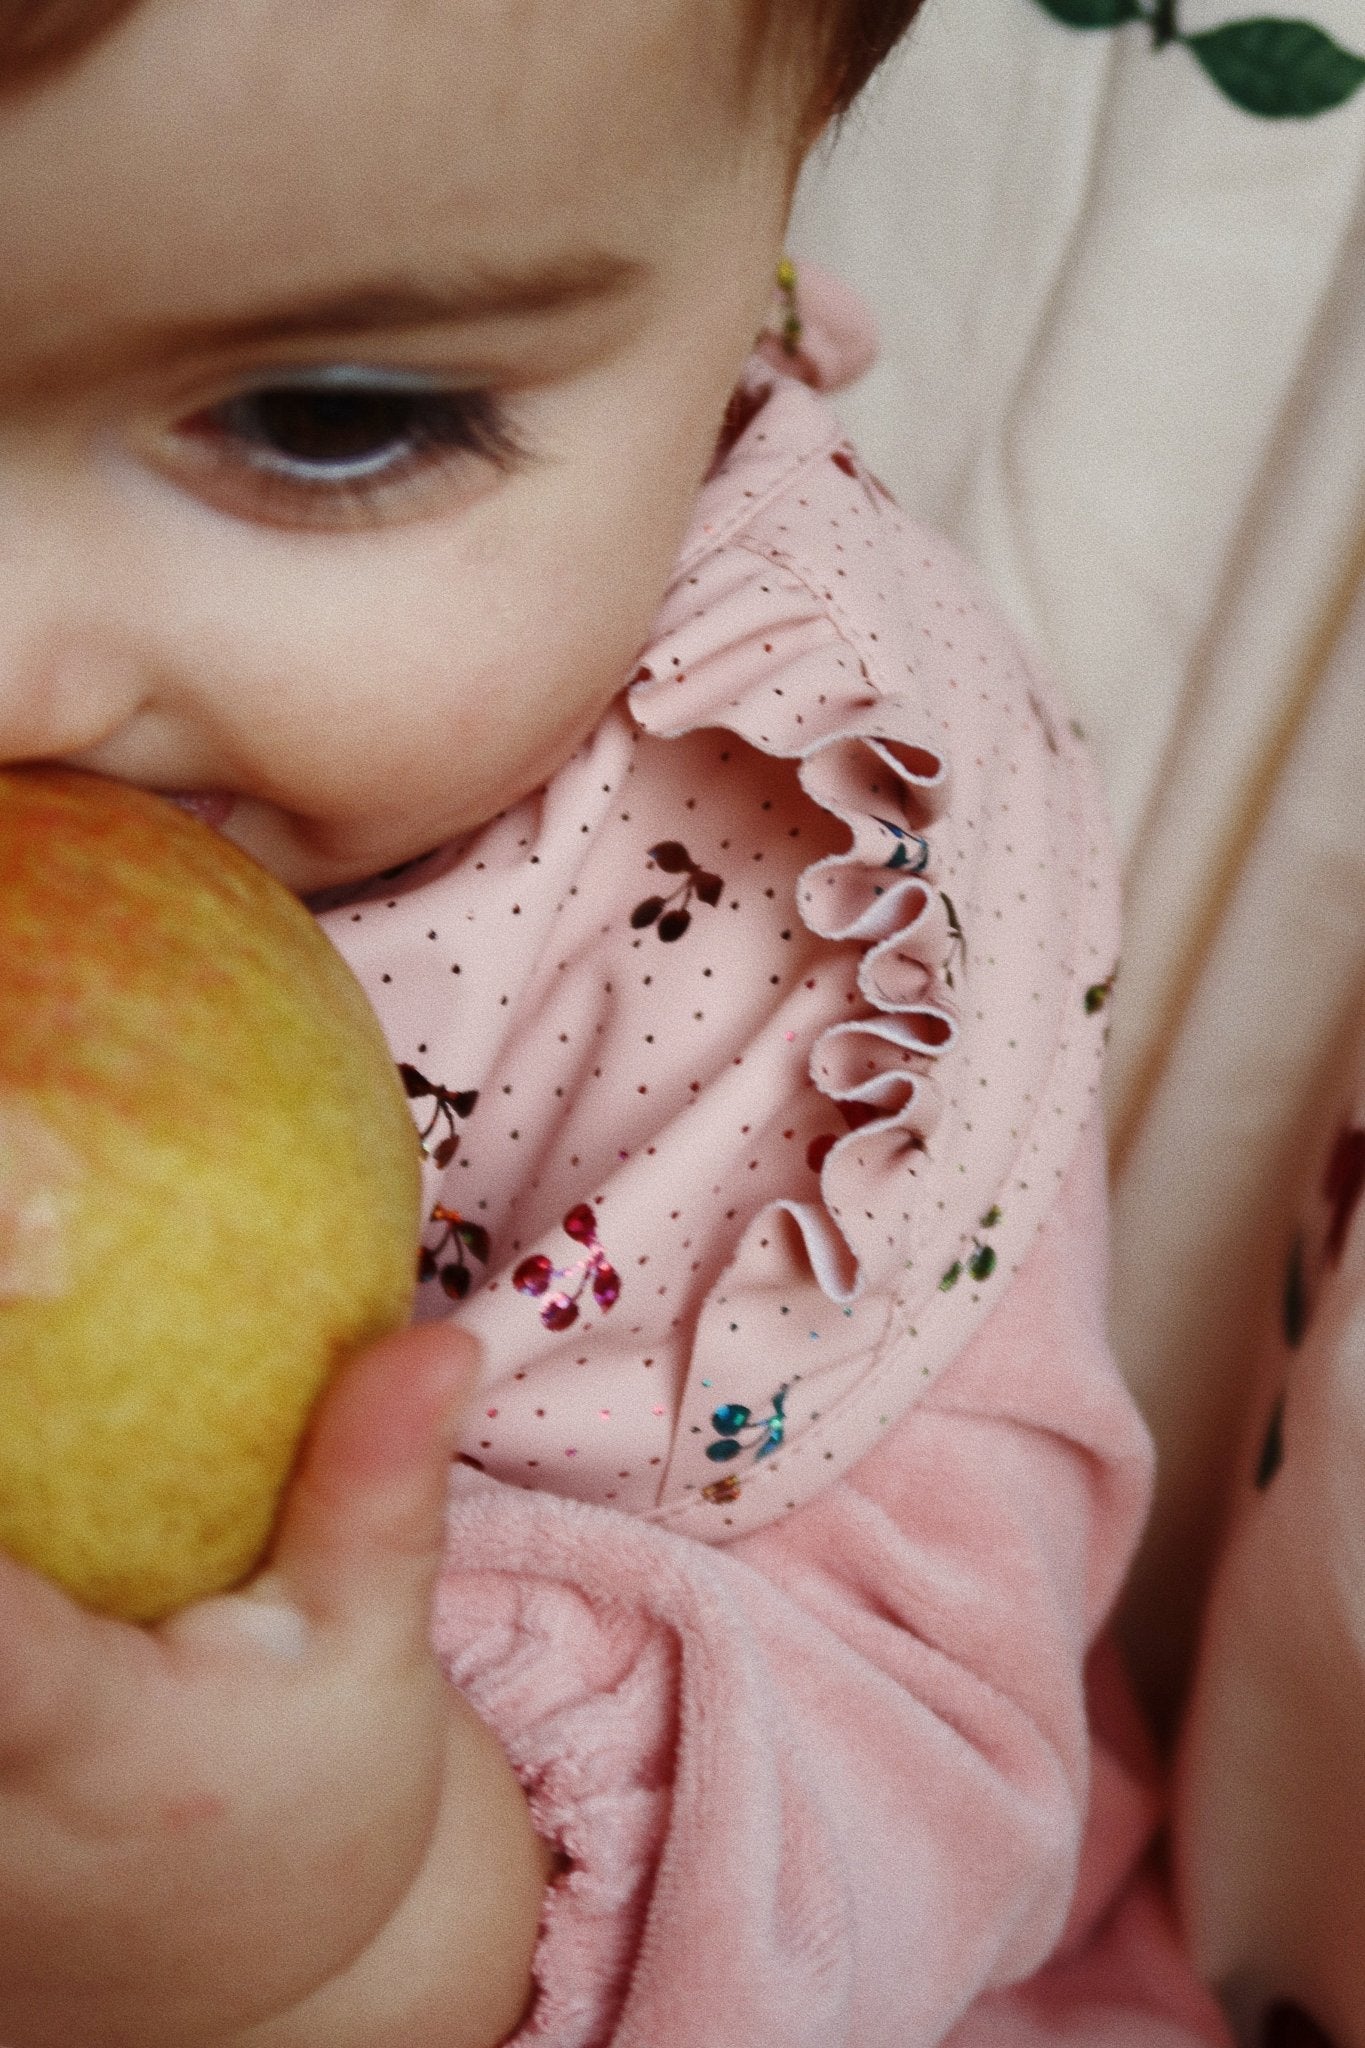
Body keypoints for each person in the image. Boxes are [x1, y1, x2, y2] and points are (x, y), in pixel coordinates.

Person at [0, 2, 1233, 2044]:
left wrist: (357, 1921)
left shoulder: (807, 875)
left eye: (324, 418)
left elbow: (927, 1774)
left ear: (753, 252)